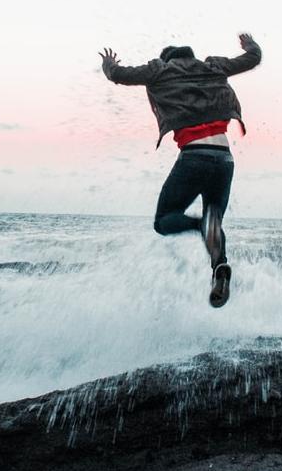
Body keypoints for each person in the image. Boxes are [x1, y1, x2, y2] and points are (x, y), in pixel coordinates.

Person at [99, 33, 262, 307]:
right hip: (224, 159)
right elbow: (252, 58)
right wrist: (249, 44)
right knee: (215, 220)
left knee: (164, 220)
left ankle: (201, 226)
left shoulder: (159, 70)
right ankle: (219, 268)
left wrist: (108, 64)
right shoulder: (212, 67)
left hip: (194, 157)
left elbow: (119, 75)